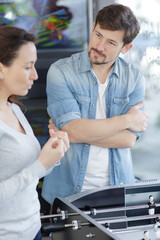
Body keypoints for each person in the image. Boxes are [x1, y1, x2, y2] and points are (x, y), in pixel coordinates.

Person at [42, 4, 148, 205]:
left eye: (110, 42)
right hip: (66, 192)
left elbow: (128, 140)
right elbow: (72, 130)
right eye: (98, 35)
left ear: (126, 48)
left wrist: (77, 134)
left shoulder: (134, 78)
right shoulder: (61, 71)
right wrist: (127, 119)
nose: (99, 46)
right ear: (92, 28)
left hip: (117, 191)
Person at [0, 26, 69, 240]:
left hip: (32, 230)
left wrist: (53, 155)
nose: (35, 75)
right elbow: (33, 170)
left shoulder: (15, 109)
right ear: (1, 68)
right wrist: (40, 164)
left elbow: (30, 172)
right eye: (28, 66)